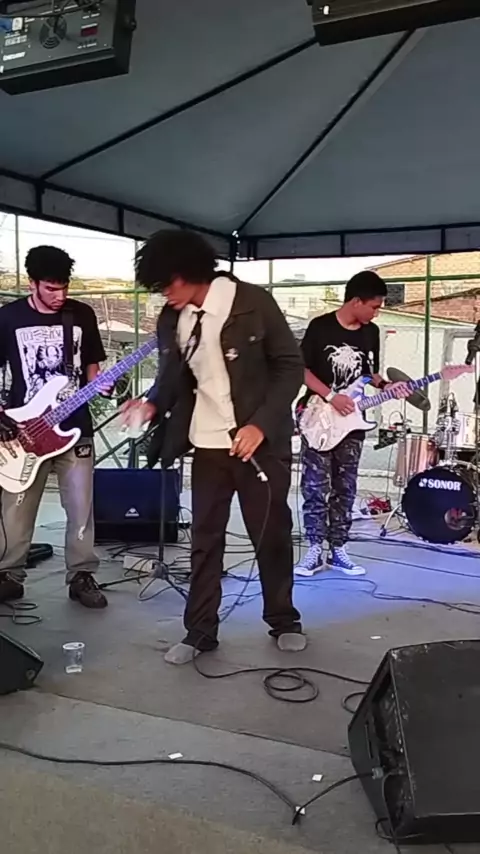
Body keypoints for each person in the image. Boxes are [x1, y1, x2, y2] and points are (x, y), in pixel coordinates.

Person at [123, 229, 306, 665]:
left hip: (258, 444)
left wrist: (260, 425)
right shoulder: (173, 317)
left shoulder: (253, 303)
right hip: (206, 443)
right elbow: (173, 377)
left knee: (270, 533)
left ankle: (283, 620)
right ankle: (200, 631)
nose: (165, 293)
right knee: (205, 539)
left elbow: (290, 368)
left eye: (168, 282)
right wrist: (151, 404)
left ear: (191, 272)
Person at [0, 245, 110, 608]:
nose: (59, 295)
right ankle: (8, 575)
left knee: (81, 508)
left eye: (64, 287)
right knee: (16, 508)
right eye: (50, 288)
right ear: (31, 283)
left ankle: (81, 575)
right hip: (24, 431)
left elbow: (92, 366)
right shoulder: (8, 318)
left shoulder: (81, 315)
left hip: (75, 427)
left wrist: (101, 384)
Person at [295, 271, 409, 578]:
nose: (376, 313)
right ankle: (314, 549)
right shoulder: (320, 327)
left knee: (345, 488)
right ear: (356, 301)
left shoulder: (371, 332)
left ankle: (339, 549)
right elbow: (301, 370)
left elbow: (370, 374)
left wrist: (387, 386)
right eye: (374, 306)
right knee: (315, 487)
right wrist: (332, 396)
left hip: (353, 422)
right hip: (319, 417)